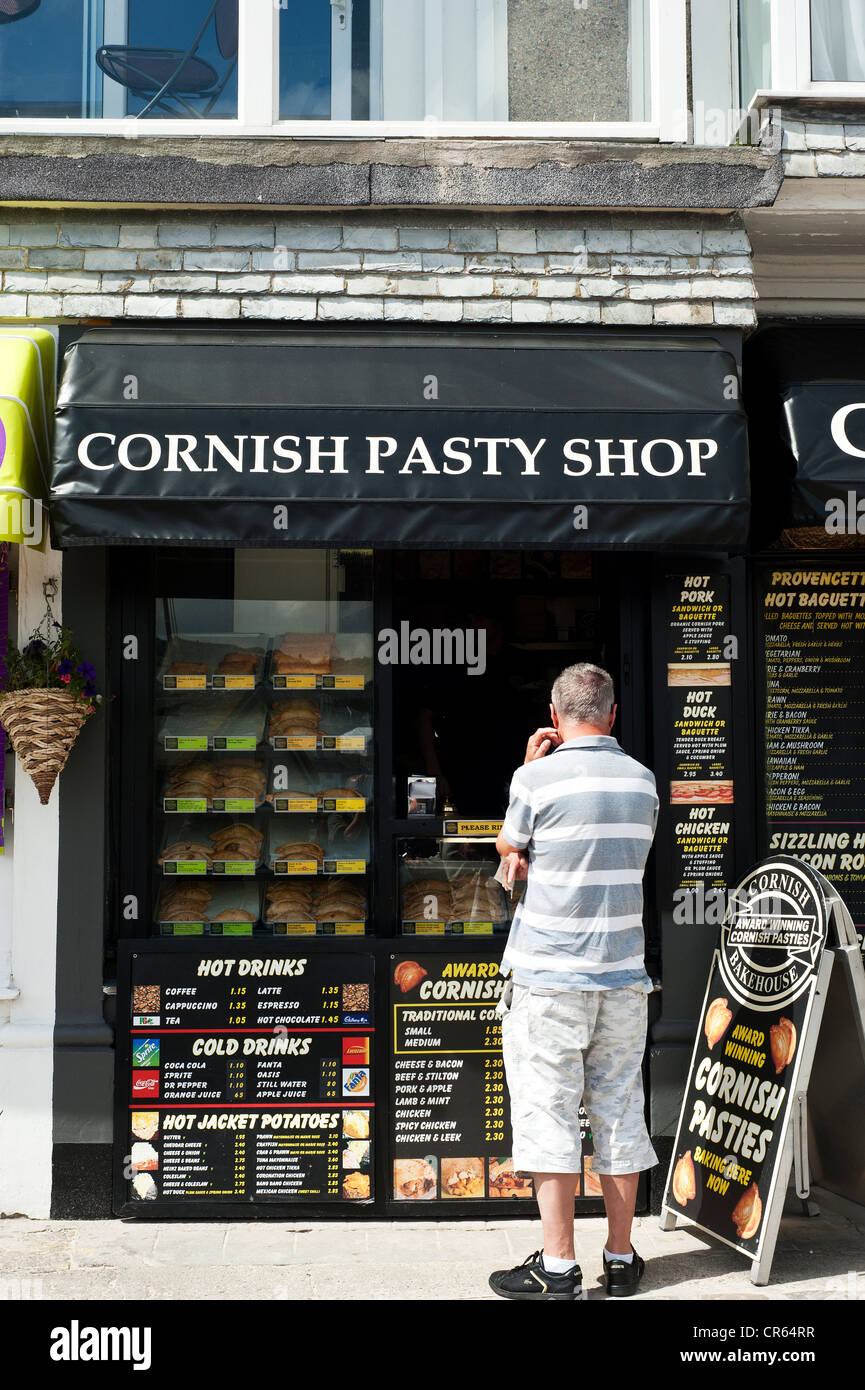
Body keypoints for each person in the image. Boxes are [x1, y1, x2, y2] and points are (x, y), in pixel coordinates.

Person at [488, 662, 659, 1301]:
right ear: (611, 715)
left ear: (556, 716)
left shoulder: (535, 778)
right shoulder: (643, 782)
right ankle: (620, 1258)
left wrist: (527, 765)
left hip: (549, 976)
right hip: (621, 976)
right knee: (618, 1109)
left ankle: (558, 1268)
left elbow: (511, 847)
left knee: (548, 1110)